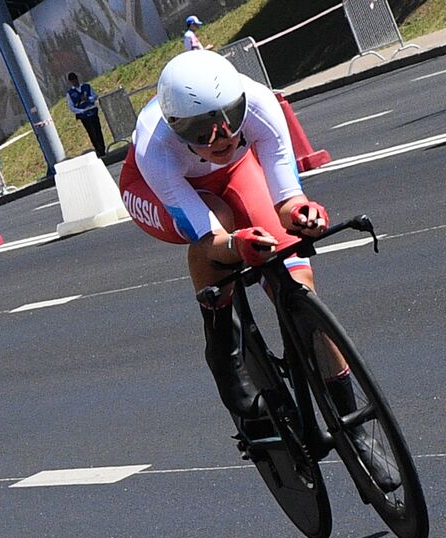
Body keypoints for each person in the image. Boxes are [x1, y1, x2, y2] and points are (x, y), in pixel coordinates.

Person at [117, 49, 398, 488]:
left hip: (234, 174)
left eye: (230, 116)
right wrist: (236, 246)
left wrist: (303, 212)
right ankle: (223, 346)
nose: (221, 135)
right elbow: (211, 237)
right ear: (176, 128)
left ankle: (354, 424)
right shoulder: (156, 148)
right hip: (161, 191)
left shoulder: (261, 105)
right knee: (222, 231)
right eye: (200, 129)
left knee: (297, 279)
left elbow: (286, 199)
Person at [66, 72, 106, 157]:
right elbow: (71, 107)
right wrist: (81, 111)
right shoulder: (70, 93)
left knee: (98, 130)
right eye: (72, 80)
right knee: (91, 132)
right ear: (70, 82)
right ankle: (98, 149)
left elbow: (94, 96)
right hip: (84, 115)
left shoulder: (86, 87)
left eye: (75, 79)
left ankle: (103, 148)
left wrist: (88, 98)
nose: (75, 81)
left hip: (92, 111)